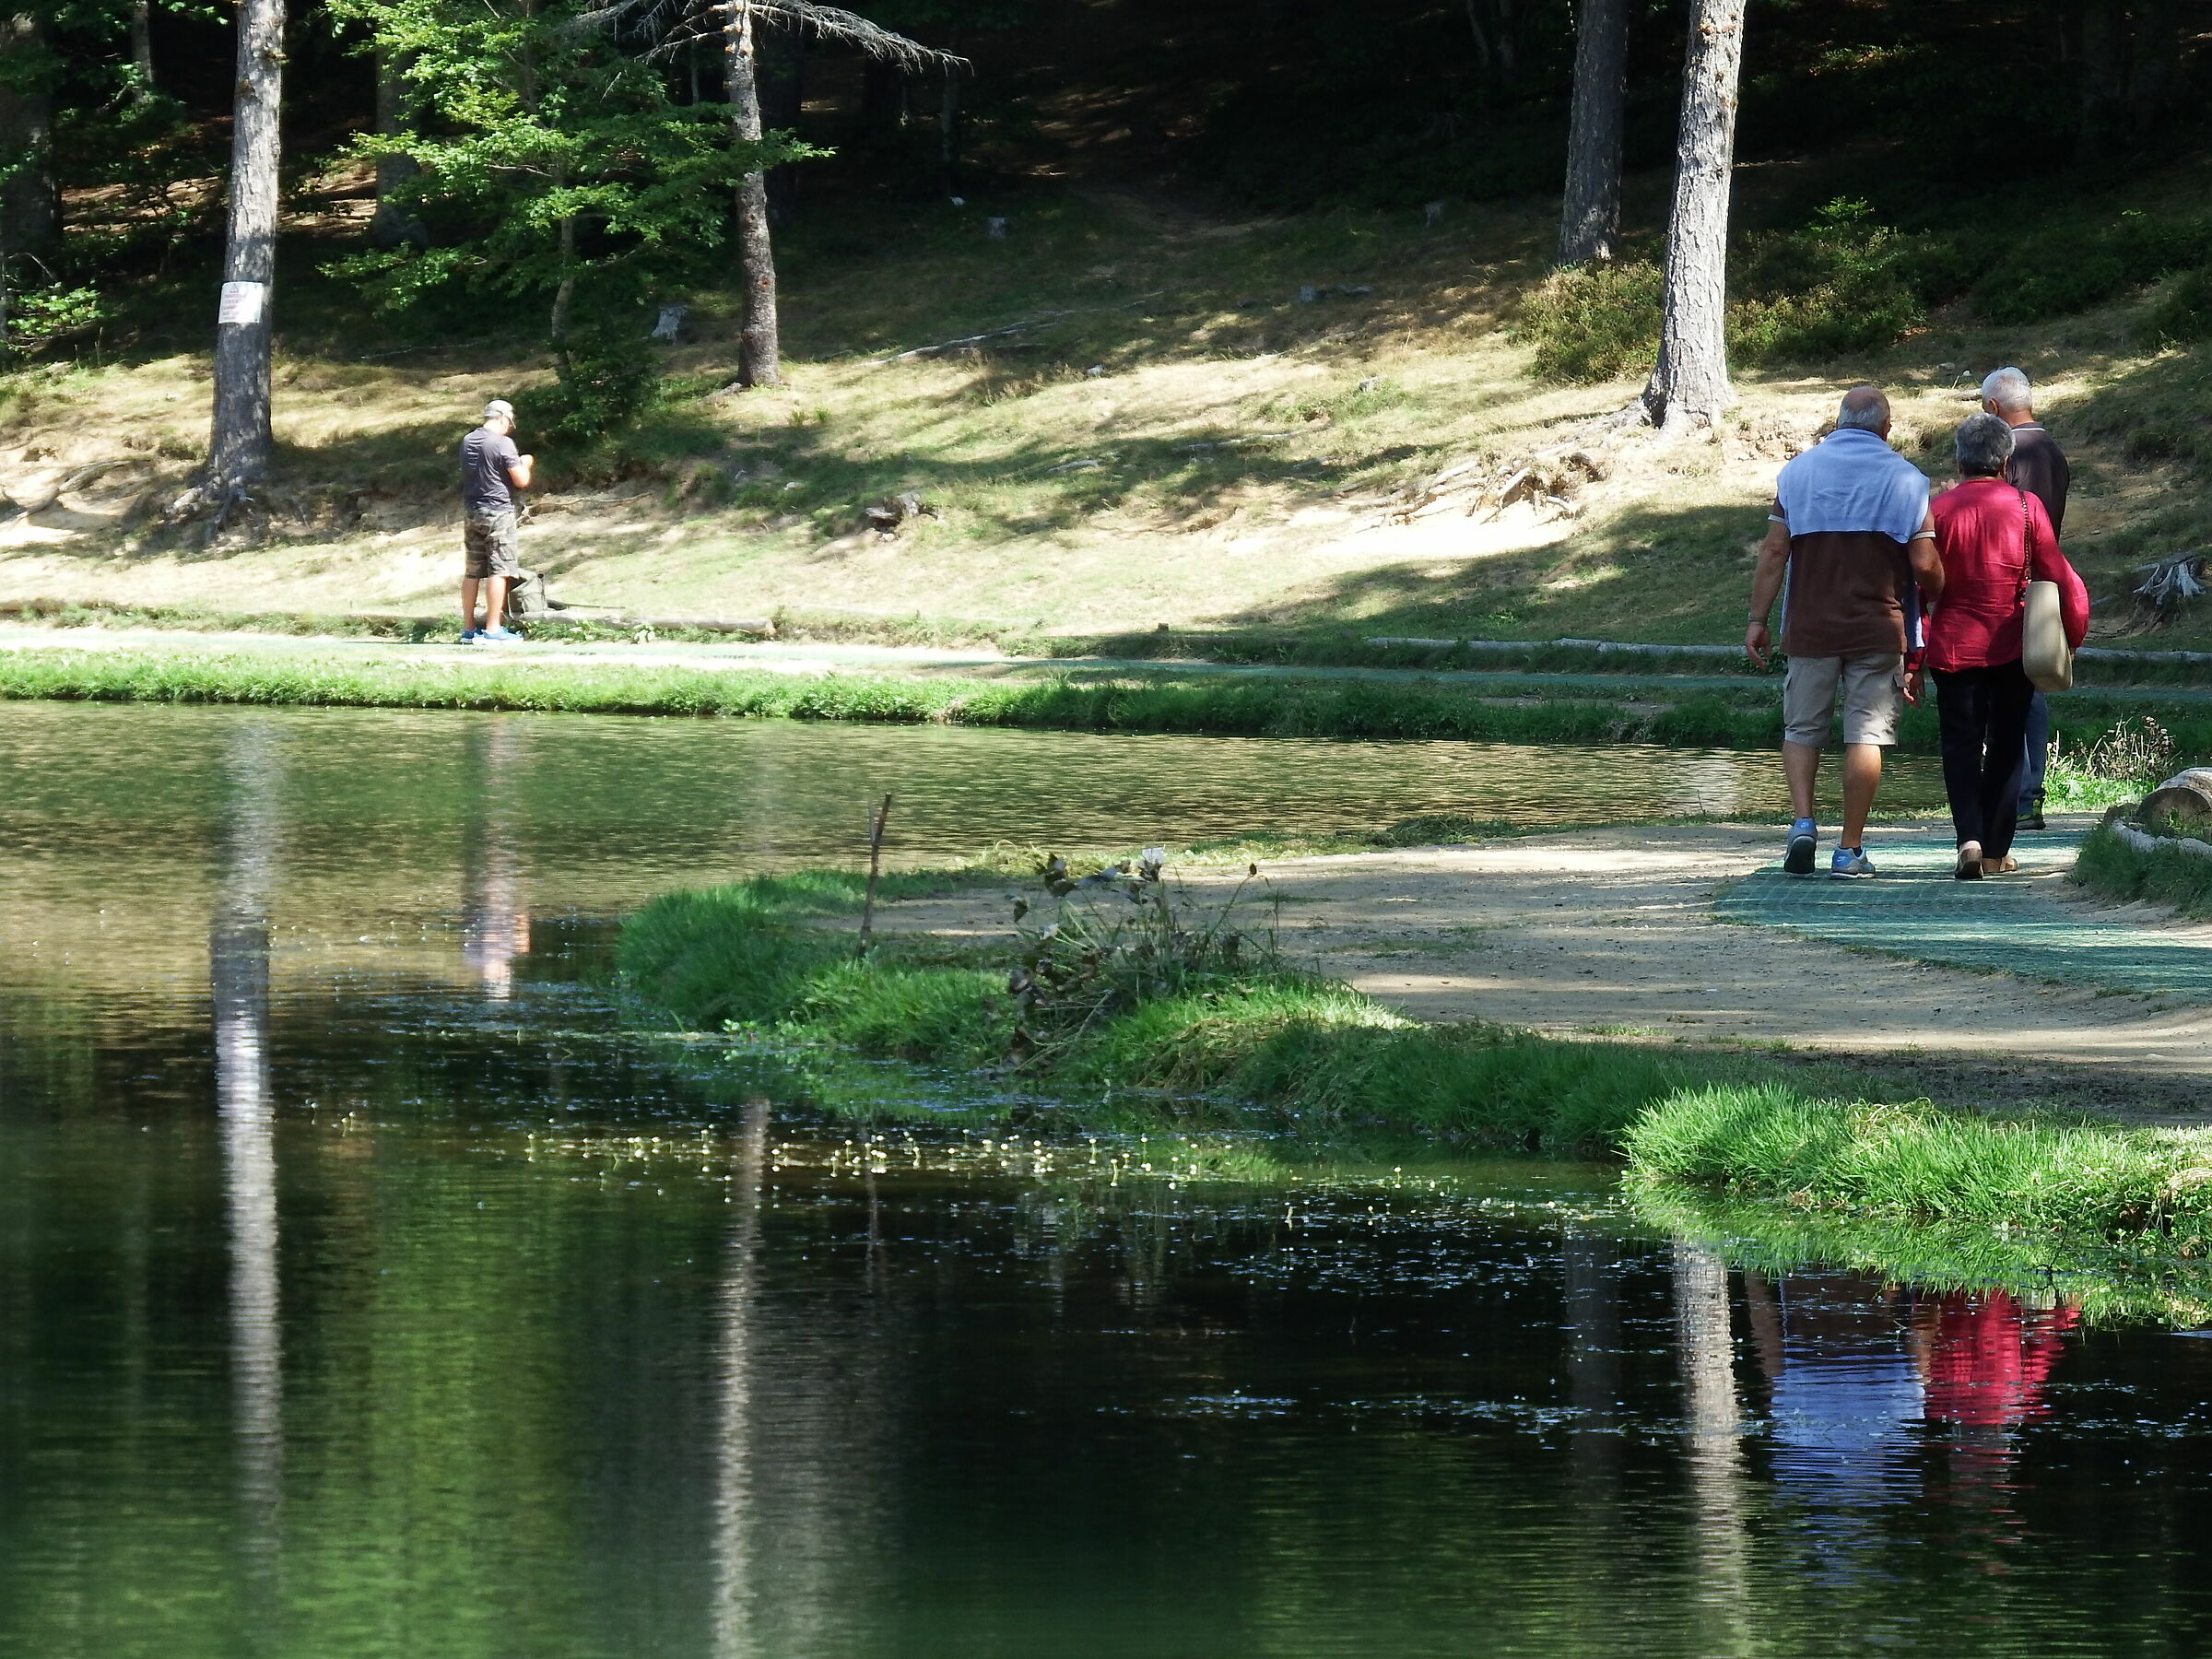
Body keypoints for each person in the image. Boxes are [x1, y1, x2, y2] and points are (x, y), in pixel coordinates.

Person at [1747, 384, 1945, 877]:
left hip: (1810, 625)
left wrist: (1757, 619)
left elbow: (1774, 552)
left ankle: (1802, 822)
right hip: (1877, 628)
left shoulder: (1797, 473)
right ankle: (1849, 849)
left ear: (1838, 422)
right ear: (1886, 428)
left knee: (1801, 728)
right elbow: (1924, 565)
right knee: (1866, 734)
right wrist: (1943, 590)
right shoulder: (1908, 479)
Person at [1912, 414, 2088, 879]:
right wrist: (2074, 632)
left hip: (1952, 646)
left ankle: (1968, 842)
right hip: (2012, 644)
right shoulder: (2028, 507)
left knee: (1960, 745)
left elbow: (1917, 589)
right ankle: (1995, 850)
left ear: (1959, 460)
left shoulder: (1937, 510)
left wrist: (1913, 657)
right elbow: (2058, 574)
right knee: (2008, 744)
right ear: (2006, 460)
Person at [1981, 367, 2071, 830]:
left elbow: (2009, 523)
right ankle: (2027, 795)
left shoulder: (2011, 453)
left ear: (1993, 407)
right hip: (2045, 585)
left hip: (2012, 586)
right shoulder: (2052, 450)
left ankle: (2020, 794)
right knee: (2030, 688)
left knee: (2015, 693)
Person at [459, 398, 534, 643]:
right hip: (498, 511)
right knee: (499, 570)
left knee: (472, 572)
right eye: (509, 424)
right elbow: (521, 480)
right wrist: (526, 463)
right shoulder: (503, 443)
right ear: (503, 418)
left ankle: (468, 630)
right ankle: (493, 629)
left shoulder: (468, 440)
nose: (509, 428)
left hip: (472, 510)